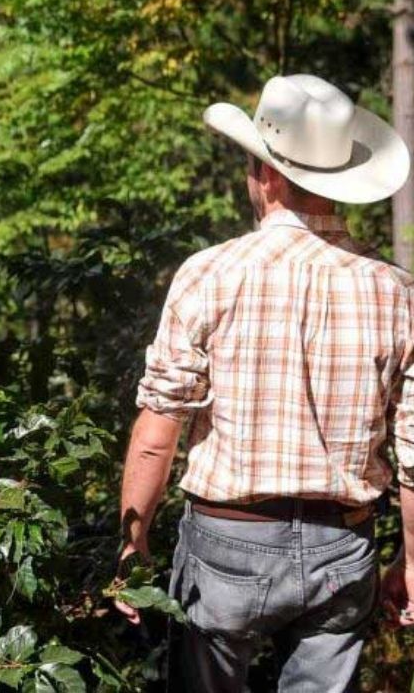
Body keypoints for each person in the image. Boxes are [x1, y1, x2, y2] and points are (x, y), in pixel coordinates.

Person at [113, 73, 414, 692]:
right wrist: (412, 560)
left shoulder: (211, 274)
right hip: (344, 542)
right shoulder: (395, 291)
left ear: (269, 176)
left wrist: (132, 542)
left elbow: (157, 430)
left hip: (228, 541)